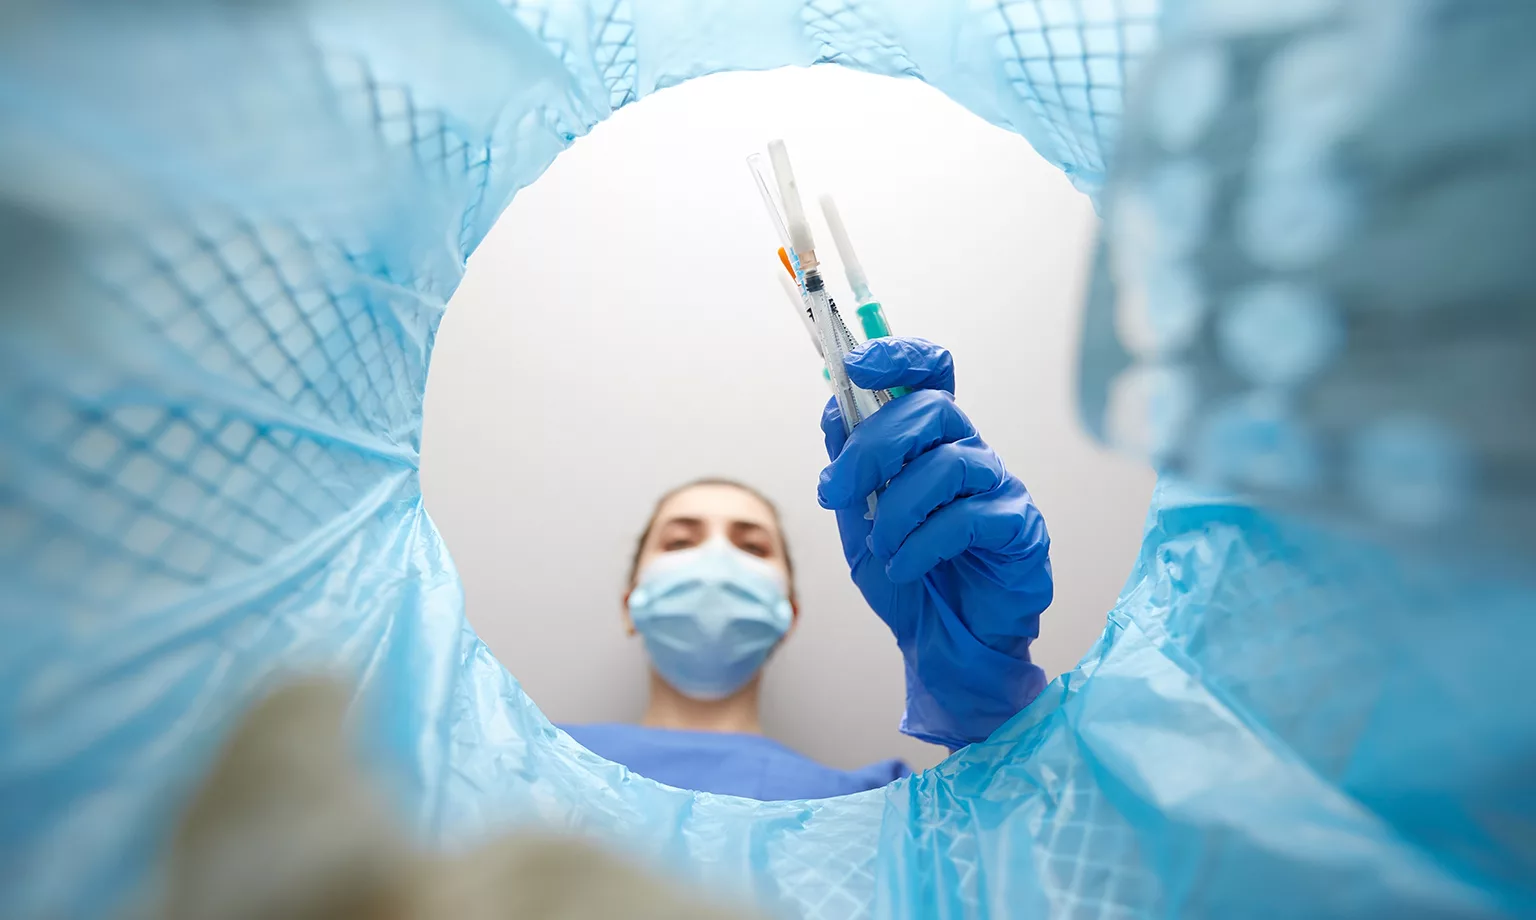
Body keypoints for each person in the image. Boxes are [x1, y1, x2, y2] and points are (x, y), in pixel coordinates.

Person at [562, 338, 1053, 800]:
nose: (716, 561)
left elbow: (1028, 857)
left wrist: (984, 699)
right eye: (680, 541)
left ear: (788, 614)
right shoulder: (534, 757)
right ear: (630, 605)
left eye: (752, 547)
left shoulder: (871, 805)